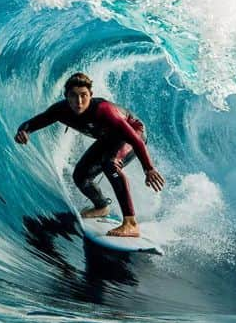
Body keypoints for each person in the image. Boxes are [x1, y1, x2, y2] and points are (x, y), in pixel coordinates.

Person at [14, 72, 164, 237]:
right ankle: (101, 206)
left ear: (91, 95)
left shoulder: (104, 111)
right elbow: (34, 122)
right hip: (109, 138)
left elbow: (136, 140)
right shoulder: (60, 110)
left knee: (110, 164)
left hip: (134, 133)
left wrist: (148, 168)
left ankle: (130, 223)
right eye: (73, 96)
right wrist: (23, 131)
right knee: (80, 176)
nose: (79, 101)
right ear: (66, 97)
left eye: (83, 95)